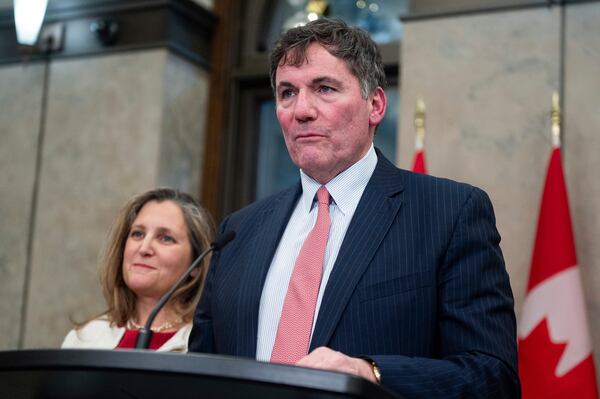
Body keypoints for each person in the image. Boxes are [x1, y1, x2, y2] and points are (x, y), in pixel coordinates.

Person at [189, 18, 519, 397]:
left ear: (375, 104)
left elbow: (492, 376)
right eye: (286, 93)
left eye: (324, 89)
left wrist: (369, 372)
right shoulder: (238, 232)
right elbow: (202, 374)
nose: (302, 110)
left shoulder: (450, 213)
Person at [62, 188, 215, 352]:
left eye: (166, 238)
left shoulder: (207, 343)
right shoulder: (84, 338)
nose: (144, 248)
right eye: (138, 234)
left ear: (196, 265)